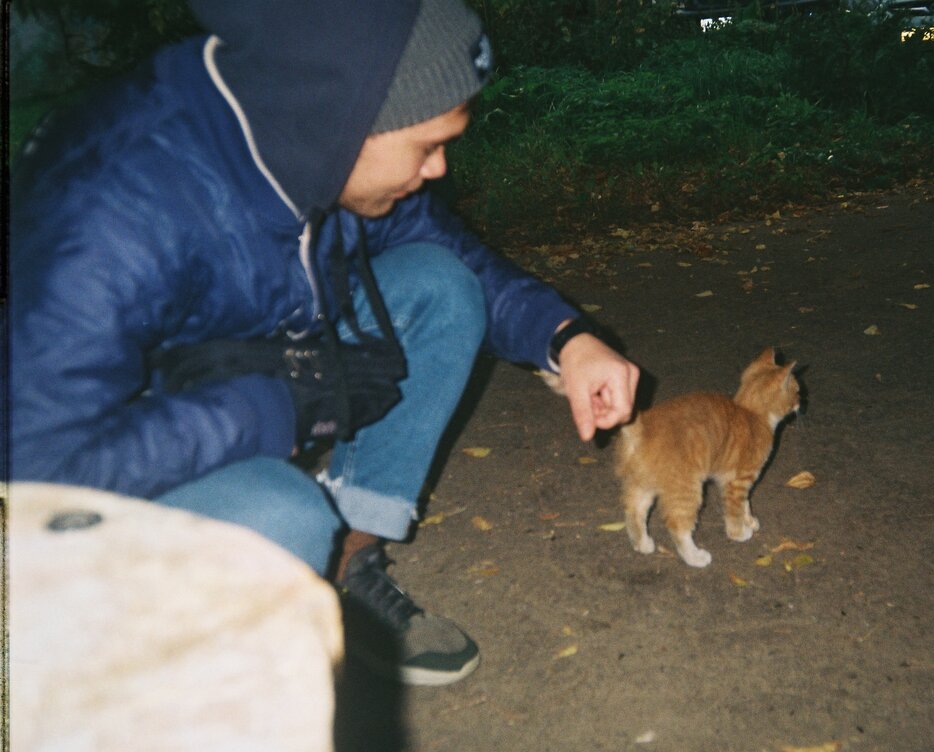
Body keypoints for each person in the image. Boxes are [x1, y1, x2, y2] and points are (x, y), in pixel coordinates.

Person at [8, 0, 640, 687]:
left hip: (226, 367)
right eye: (427, 146)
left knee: (440, 284)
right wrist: (267, 408)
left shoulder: (303, 137)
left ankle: (350, 559)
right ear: (341, 119)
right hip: (79, 477)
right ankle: (149, 695)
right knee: (280, 519)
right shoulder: (109, 213)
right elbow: (34, 469)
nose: (437, 169)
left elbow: (440, 243)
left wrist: (566, 337)